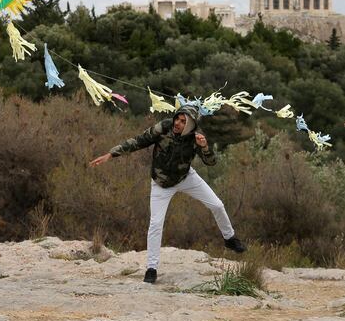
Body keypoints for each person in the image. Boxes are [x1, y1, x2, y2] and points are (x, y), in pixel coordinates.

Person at [89, 104, 246, 284]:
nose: (177, 123)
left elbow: (211, 162)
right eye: (177, 118)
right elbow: (138, 141)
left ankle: (230, 238)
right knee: (156, 224)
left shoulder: (196, 136)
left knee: (217, 205)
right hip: (161, 183)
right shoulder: (163, 127)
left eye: (183, 121)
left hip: (186, 178)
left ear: (190, 125)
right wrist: (111, 154)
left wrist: (204, 147)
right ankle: (151, 268)